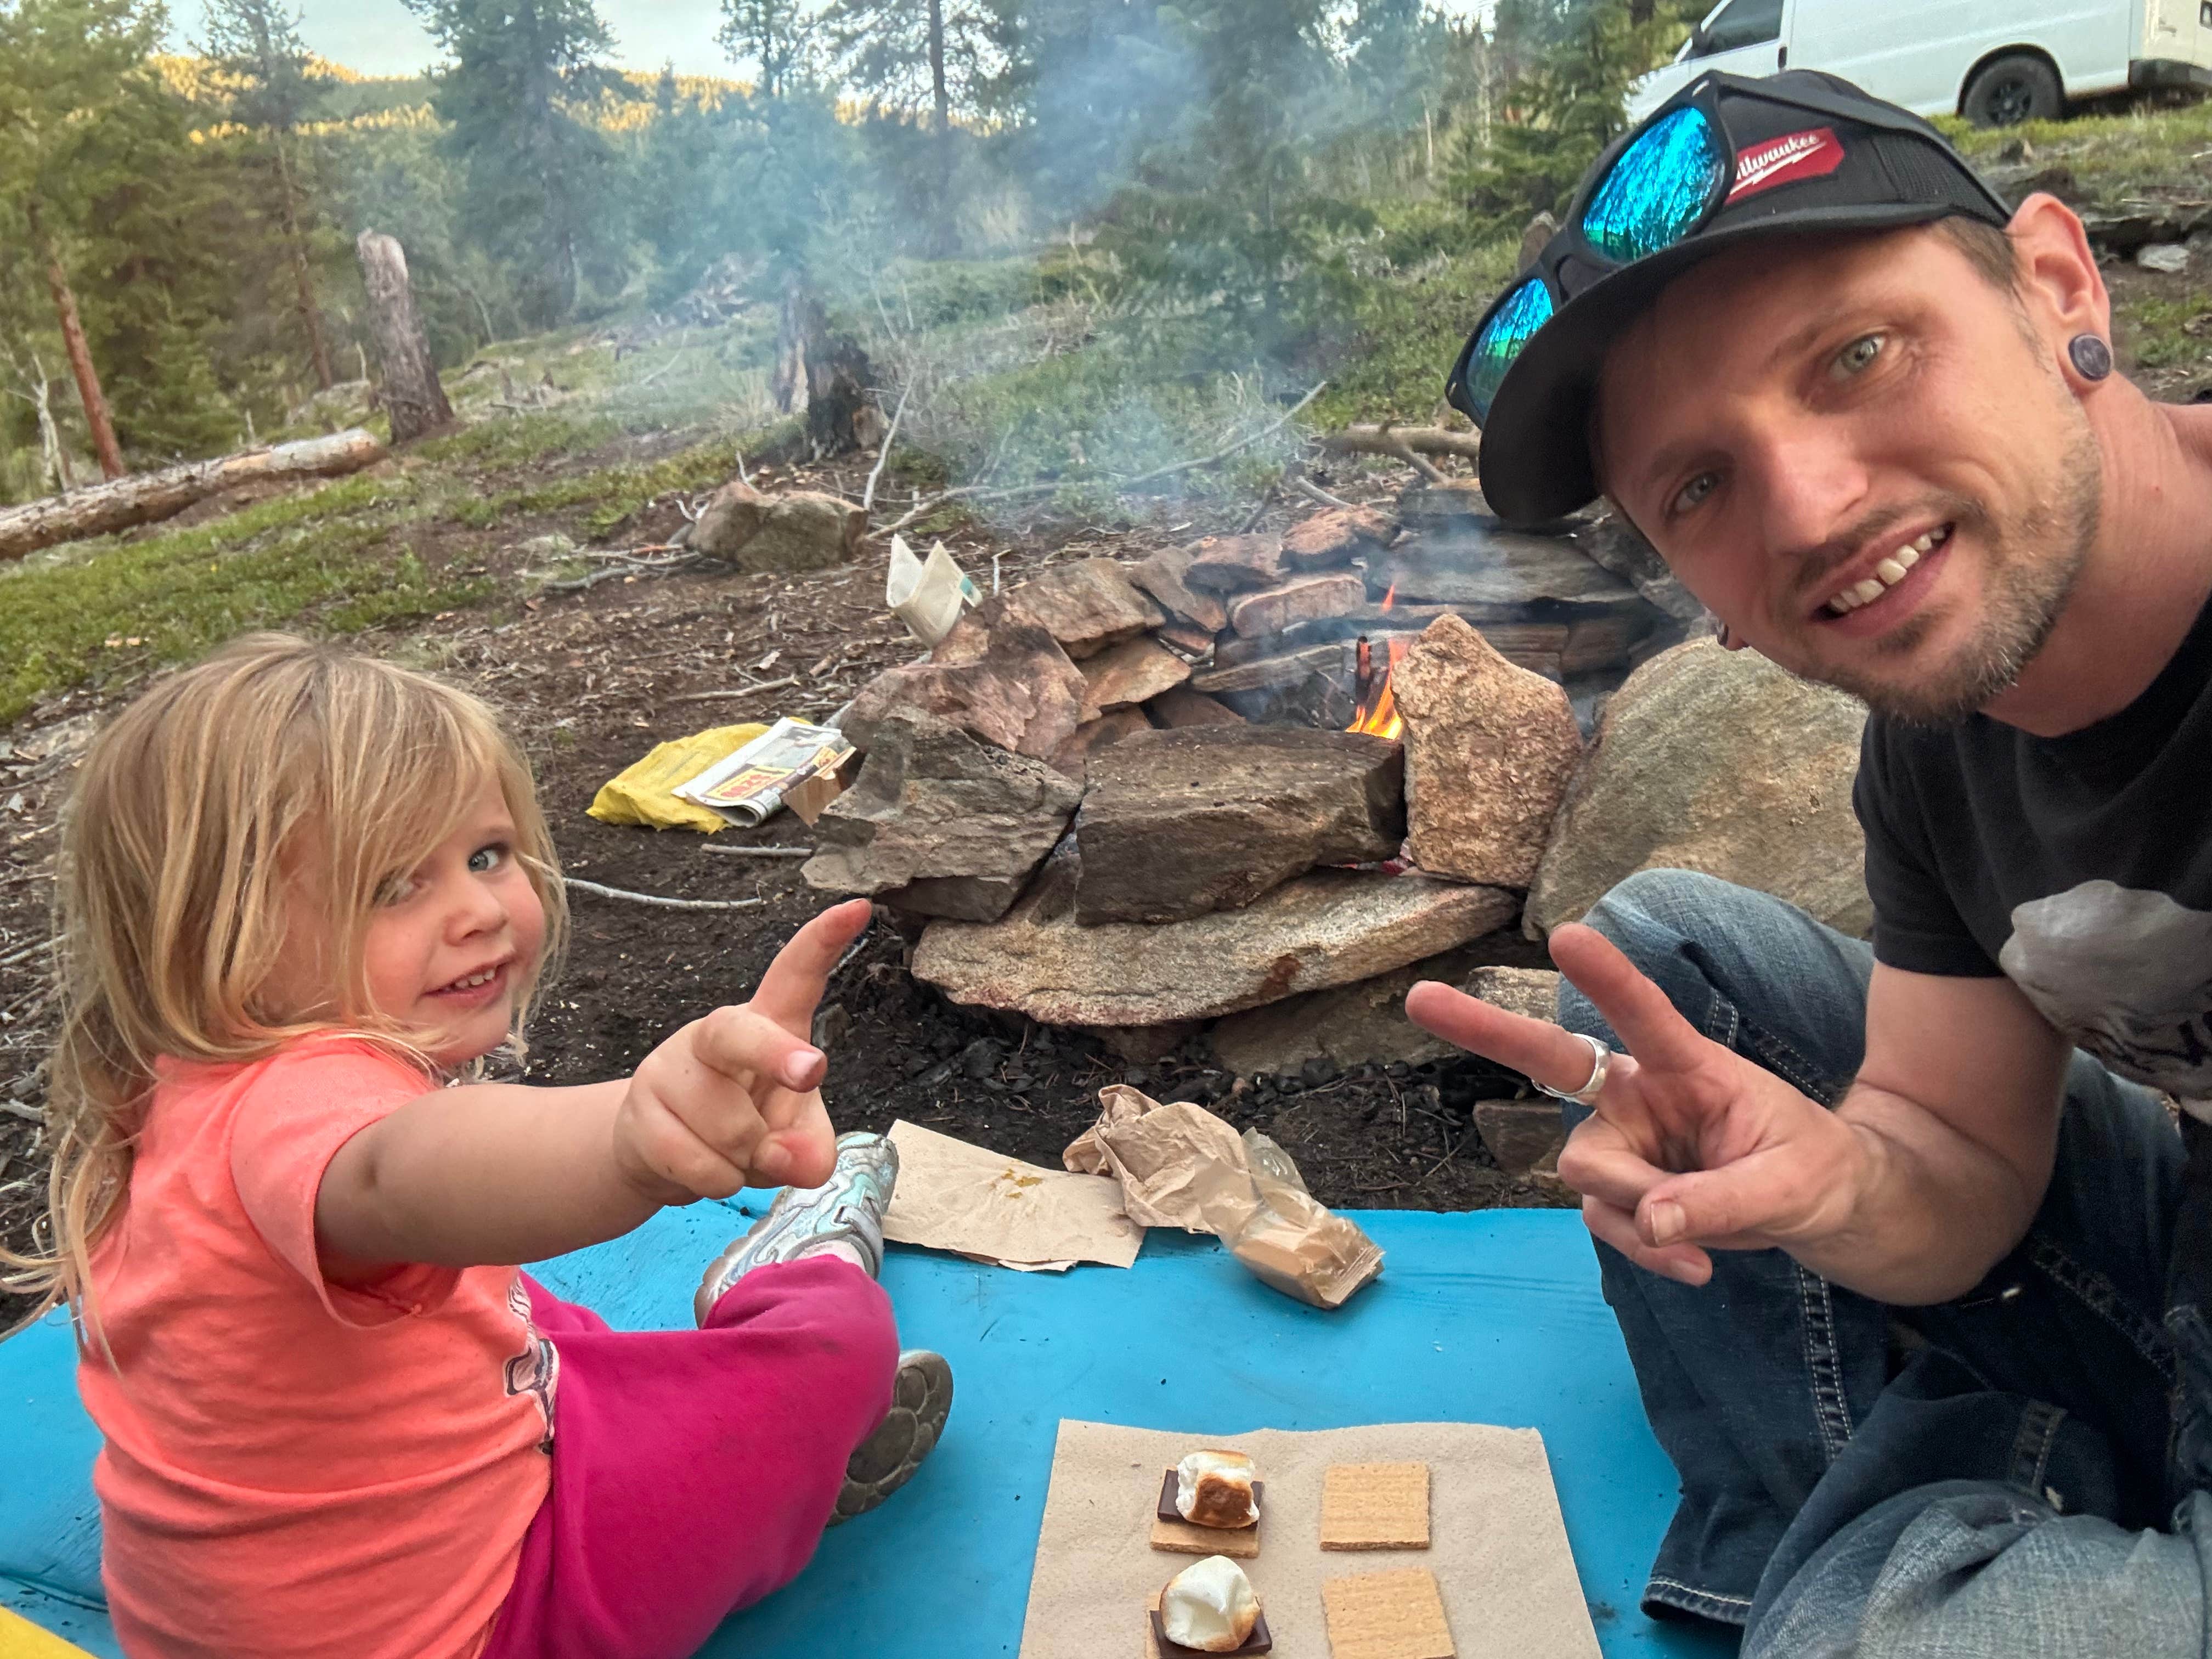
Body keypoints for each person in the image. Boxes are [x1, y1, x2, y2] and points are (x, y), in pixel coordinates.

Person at [1403, 69, 2212, 1656]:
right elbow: (1958, 1155)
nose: (1811, 507)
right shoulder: (1940, 734)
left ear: (2057, 287)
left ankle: (1897, 1554)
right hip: (2178, 1227)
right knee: (1672, 981)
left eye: (1857, 354)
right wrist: (1840, 1179)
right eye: (1699, 484)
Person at [5, 633, 953, 1659]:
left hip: (316, 1556)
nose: (479, 911)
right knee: (836, 1351)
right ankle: (796, 1277)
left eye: (486, 855)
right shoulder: (303, 1109)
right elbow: (398, 1167)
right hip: (500, 1608)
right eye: (388, 886)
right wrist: (635, 1136)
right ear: (208, 930)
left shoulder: (182, 1086)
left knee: (515, 1313)